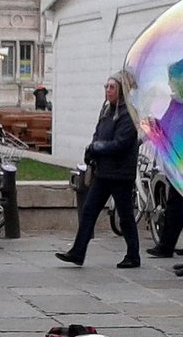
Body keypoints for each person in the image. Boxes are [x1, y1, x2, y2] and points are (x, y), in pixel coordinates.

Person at [57, 76, 140, 269]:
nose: (108, 90)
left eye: (112, 87)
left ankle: (133, 255)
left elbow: (121, 143)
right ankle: (78, 252)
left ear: (121, 90)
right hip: (104, 172)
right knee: (88, 211)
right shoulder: (107, 110)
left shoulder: (127, 114)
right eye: (106, 86)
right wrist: (92, 149)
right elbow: (98, 133)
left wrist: (97, 147)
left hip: (120, 173)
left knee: (125, 215)